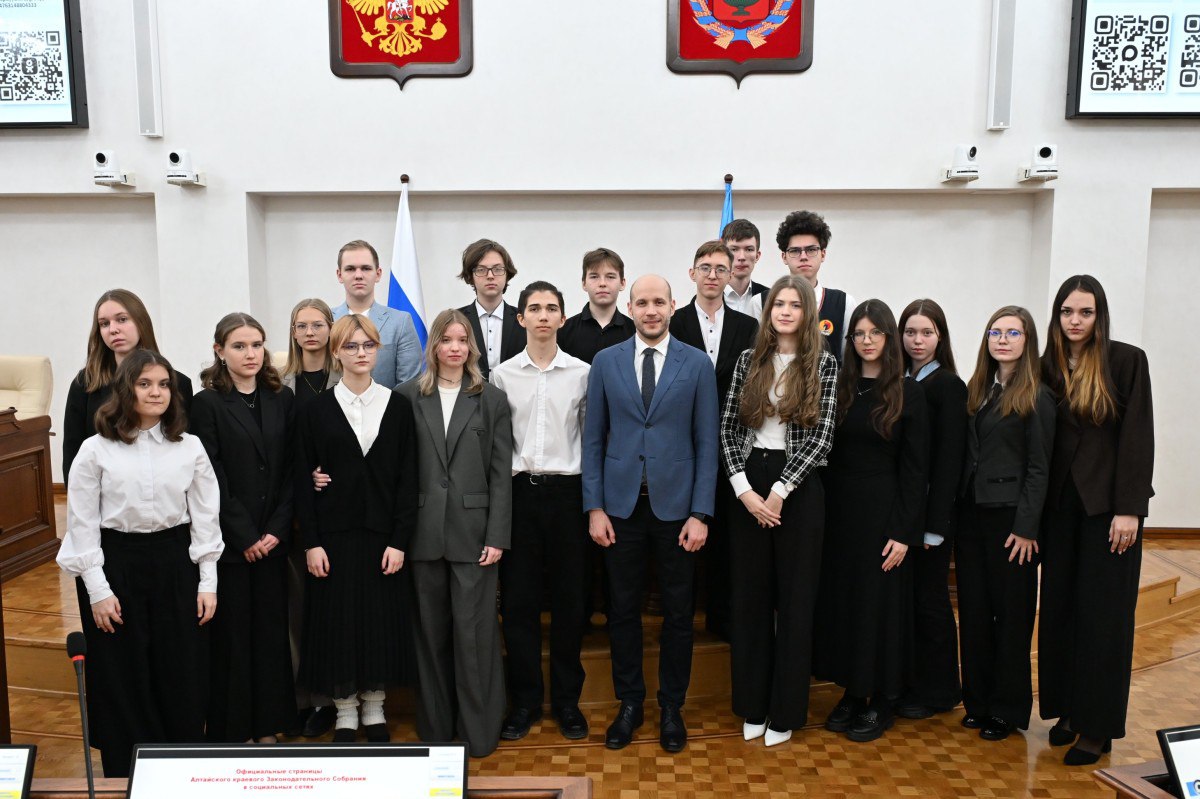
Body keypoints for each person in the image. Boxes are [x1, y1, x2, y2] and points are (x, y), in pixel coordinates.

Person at [57, 350, 222, 777]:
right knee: (122, 673)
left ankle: (182, 771)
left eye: (164, 384)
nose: (156, 392)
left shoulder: (190, 447)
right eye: (144, 384)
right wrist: (98, 590)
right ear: (124, 390)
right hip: (117, 564)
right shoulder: (95, 450)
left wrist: (207, 581)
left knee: (180, 668)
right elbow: (82, 524)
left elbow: (206, 516)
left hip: (175, 561)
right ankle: (128, 774)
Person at [583, 275, 719, 754]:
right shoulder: (605, 362)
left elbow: (707, 442)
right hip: (619, 509)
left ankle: (671, 707)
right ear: (630, 307)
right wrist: (595, 507)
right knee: (622, 611)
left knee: (679, 614)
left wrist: (701, 512)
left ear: (673, 305)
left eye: (659, 301)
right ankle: (630, 704)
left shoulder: (697, 363)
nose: (651, 310)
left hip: (678, 510)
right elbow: (593, 439)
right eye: (641, 302)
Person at [1038, 275, 1154, 766]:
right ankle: (1068, 712)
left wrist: (1130, 508)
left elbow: (1137, 436)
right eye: (1067, 311)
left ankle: (1097, 727)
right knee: (1061, 611)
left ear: (1099, 315)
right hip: (1058, 508)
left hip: (1109, 510)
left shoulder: (1126, 360)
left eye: (1085, 312)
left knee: (1104, 619)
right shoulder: (1045, 364)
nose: (1075, 320)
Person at [719, 276, 837, 747]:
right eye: (778, 304)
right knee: (750, 600)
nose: (785, 311)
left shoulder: (824, 364)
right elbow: (728, 429)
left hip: (799, 487)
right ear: (767, 312)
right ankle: (753, 705)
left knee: (795, 603)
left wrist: (781, 491)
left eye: (794, 305)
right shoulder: (748, 360)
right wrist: (745, 490)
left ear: (808, 313)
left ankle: (785, 712)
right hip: (750, 483)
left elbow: (822, 437)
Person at [396, 309, 513, 758]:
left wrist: (497, 535)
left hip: (476, 534)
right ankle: (436, 729)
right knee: (430, 635)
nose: (455, 348)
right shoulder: (407, 396)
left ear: (472, 347)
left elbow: (500, 473)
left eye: (462, 340)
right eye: (446, 340)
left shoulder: (491, 398)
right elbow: (395, 467)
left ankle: (479, 732)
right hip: (422, 533)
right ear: (434, 346)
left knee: (475, 635)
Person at [296, 314, 418, 743]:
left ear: (378, 350)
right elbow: (302, 481)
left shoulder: (398, 406)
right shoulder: (314, 410)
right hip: (333, 536)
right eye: (351, 346)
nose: (361, 353)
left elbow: (408, 480)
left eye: (368, 345)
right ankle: (345, 710)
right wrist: (311, 542)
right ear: (336, 352)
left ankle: (374, 707)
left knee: (378, 621)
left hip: (383, 536)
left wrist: (400, 541)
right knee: (338, 623)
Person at [813, 300, 928, 742]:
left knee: (879, 607)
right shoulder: (841, 386)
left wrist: (903, 532)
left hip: (884, 515)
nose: (866, 341)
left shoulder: (907, 391)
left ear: (889, 338)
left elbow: (916, 471)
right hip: (841, 514)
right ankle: (852, 690)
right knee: (846, 604)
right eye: (858, 334)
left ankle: (882, 697)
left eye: (874, 333)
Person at [492, 282, 592, 742]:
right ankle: (526, 702)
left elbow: (591, 439)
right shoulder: (501, 375)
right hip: (520, 495)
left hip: (569, 495)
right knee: (519, 604)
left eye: (552, 308)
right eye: (534, 308)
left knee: (571, 603)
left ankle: (568, 702)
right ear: (521, 319)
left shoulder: (583, 373)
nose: (543, 316)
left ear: (563, 318)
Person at [190, 313, 297, 744]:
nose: (250, 354)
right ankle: (236, 729)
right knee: (233, 638)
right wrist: (245, 535)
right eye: (239, 346)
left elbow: (292, 468)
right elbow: (210, 476)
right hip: (232, 543)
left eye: (256, 345)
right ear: (219, 351)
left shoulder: (281, 398)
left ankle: (269, 723)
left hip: (273, 538)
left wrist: (276, 528)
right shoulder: (207, 404)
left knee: (270, 634)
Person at [957, 306, 1055, 743]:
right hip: (972, 514)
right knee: (975, 612)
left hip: (1012, 523)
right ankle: (978, 703)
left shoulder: (1037, 396)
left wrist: (1027, 527)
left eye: (1013, 333)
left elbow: (1039, 467)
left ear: (1027, 341)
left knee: (1012, 617)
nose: (1002, 339)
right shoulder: (978, 388)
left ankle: (1007, 709)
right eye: (995, 332)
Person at [669, 240, 759, 641]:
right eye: (705, 268)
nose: (712, 275)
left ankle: (723, 619)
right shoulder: (674, 322)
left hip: (734, 442)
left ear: (730, 274)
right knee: (684, 533)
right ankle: (681, 620)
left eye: (721, 269)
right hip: (683, 442)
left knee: (727, 536)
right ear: (692, 274)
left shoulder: (747, 327)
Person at [893, 299, 967, 721]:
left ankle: (941, 691)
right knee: (909, 604)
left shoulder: (948, 386)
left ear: (940, 337)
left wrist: (934, 526)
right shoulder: (900, 381)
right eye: (910, 332)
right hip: (904, 514)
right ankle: (912, 682)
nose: (917, 341)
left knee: (931, 602)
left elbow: (949, 463)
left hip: (931, 520)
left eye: (926, 333)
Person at [279, 298, 339, 737]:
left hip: (338, 512)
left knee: (331, 613)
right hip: (294, 514)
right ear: (293, 333)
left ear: (331, 329)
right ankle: (303, 700)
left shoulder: (348, 376)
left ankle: (333, 699)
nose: (311, 332)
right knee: (296, 612)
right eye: (302, 326)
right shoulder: (280, 385)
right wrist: (304, 477)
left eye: (319, 324)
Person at [63, 289, 194, 484]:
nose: (113, 329)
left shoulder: (178, 383)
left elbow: (184, 449)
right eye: (104, 324)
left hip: (165, 490)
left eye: (122, 319)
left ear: (141, 322)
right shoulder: (86, 383)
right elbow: (73, 451)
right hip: (104, 492)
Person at [330, 239, 422, 389]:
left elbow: (409, 385)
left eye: (366, 268)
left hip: (389, 403)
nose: (358, 275)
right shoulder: (326, 321)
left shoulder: (401, 322)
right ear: (339, 275)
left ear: (378, 274)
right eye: (350, 269)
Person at [775, 211, 856, 364]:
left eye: (811, 250)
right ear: (784, 257)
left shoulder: (844, 303)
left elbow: (848, 362)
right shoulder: (762, 302)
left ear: (823, 254)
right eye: (795, 251)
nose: (803, 256)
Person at [456, 239, 526, 381]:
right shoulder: (456, 319)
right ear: (471, 276)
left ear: (507, 274)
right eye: (481, 270)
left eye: (497, 269)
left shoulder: (524, 320)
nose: (490, 276)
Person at [559, 247, 635, 365]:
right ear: (584, 283)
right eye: (594, 277)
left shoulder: (635, 332)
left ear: (622, 283)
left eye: (610, 277)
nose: (602, 283)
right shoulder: (563, 331)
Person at [721, 219, 771, 319]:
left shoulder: (770, 297)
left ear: (757, 256)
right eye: (734, 249)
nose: (741, 257)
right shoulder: (711, 296)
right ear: (724, 254)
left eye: (749, 249)